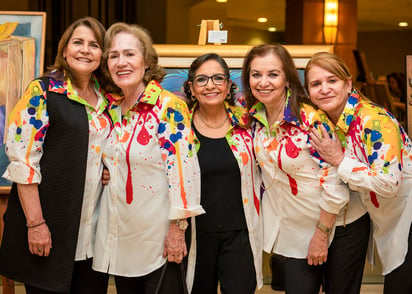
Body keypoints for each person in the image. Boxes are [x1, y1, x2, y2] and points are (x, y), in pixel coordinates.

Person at [242, 44, 370, 294]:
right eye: (256, 74)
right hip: (295, 229)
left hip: (340, 225)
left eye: (273, 74)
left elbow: (335, 183)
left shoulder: (310, 121)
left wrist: (321, 234)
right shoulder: (253, 120)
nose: (263, 82)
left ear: (288, 79)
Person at [0, 17, 112, 293]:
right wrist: (36, 224)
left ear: (102, 54)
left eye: (94, 45)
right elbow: (24, 162)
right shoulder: (42, 91)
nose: (85, 50)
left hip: (93, 231)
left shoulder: (108, 99)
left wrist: (108, 167)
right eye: (78, 43)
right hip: (50, 228)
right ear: (64, 50)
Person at [92, 22, 204, 294]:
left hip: (159, 238)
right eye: (114, 55)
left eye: (130, 54)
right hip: (122, 236)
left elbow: (184, 170)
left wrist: (177, 230)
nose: (121, 62)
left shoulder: (167, 107)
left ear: (146, 61)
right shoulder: (111, 109)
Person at [305, 51, 412, 294]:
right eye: (316, 84)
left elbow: (389, 183)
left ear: (348, 84)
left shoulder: (374, 120)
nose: (324, 89)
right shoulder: (329, 123)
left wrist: (339, 160)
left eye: (332, 81)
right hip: (387, 219)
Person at [182, 53, 263, 294]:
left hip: (240, 235)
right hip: (195, 234)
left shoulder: (248, 124)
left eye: (218, 78)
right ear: (191, 88)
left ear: (228, 86)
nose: (210, 85)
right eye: (202, 79)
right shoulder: (178, 126)